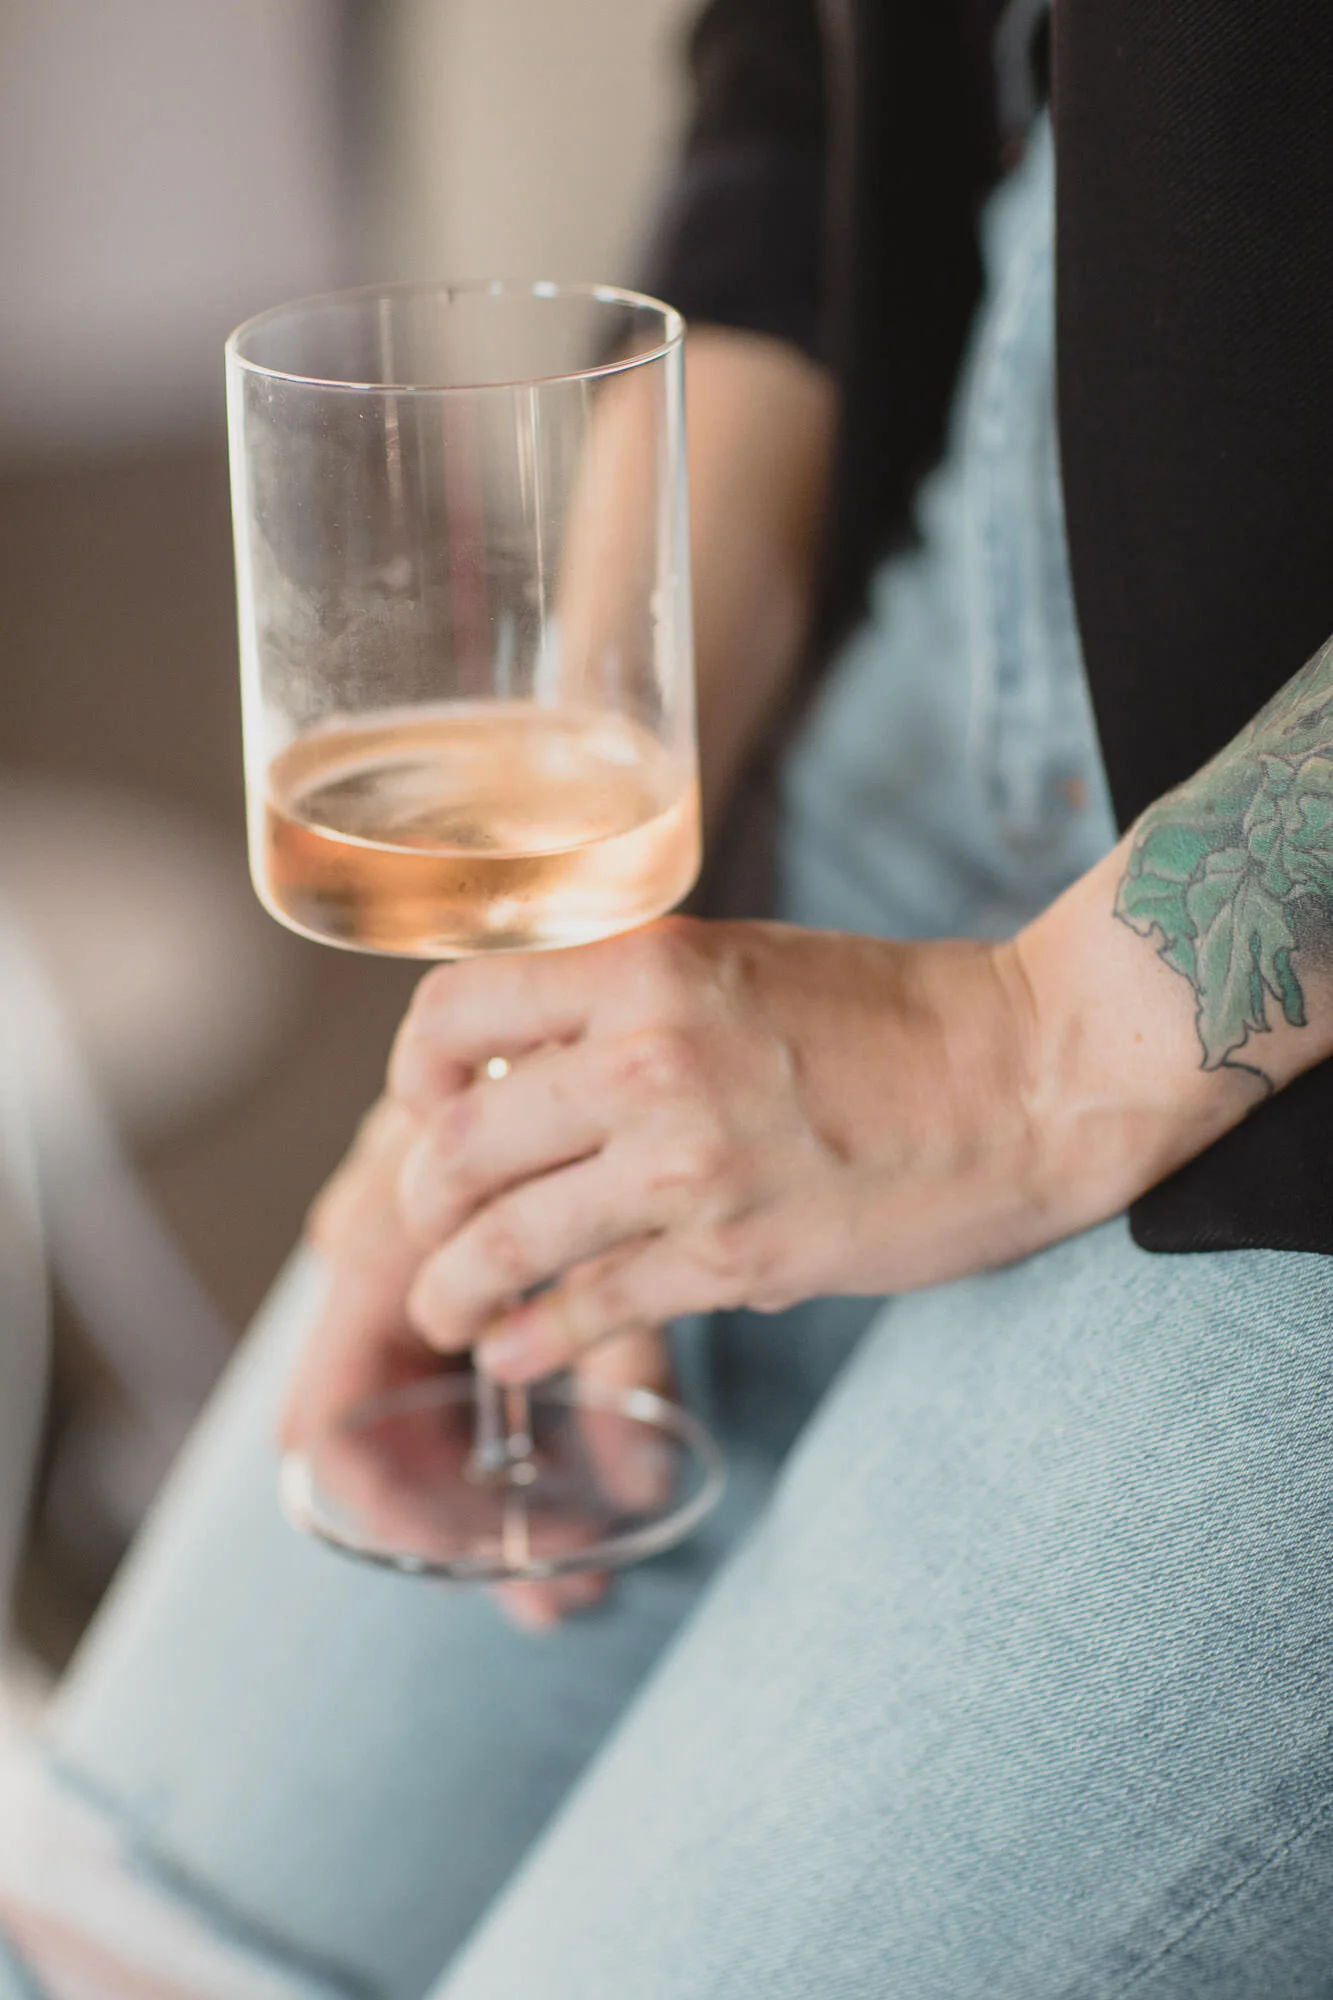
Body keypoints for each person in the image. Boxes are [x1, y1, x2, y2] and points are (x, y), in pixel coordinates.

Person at [6, 0, 1333, 1992]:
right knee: (115, 1937)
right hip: (893, 684)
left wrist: (1038, 1045)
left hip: (1273, 1018)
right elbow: (802, 97)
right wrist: (596, 858)